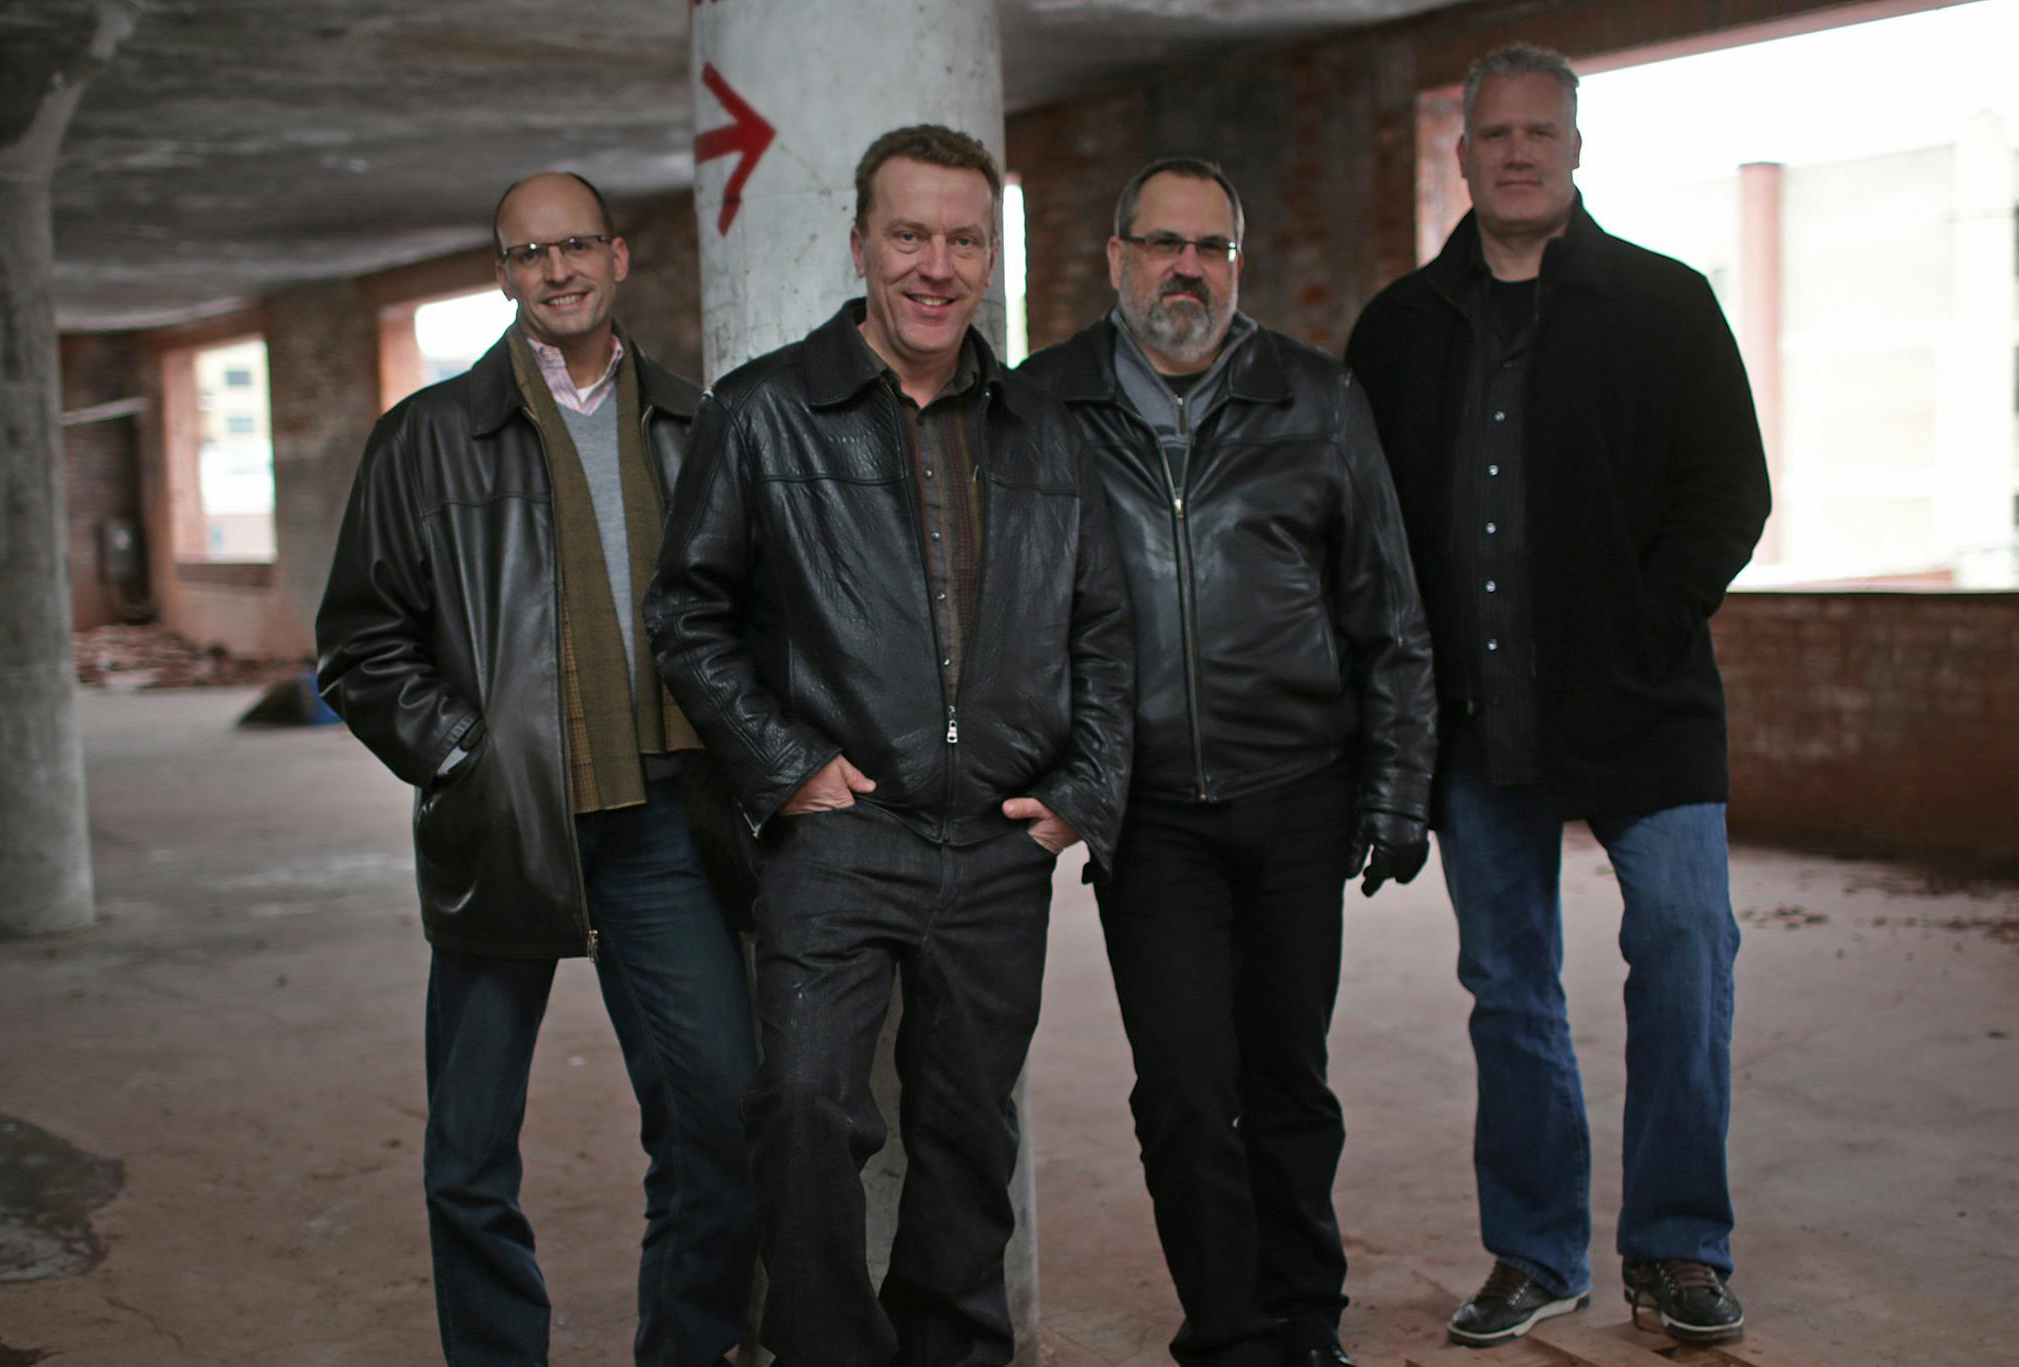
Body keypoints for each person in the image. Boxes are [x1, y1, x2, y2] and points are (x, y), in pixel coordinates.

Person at [645, 124, 1134, 1367]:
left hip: (998, 839)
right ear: (860, 243)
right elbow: (686, 615)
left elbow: (1108, 632)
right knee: (804, 1107)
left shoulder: (1043, 428)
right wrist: (780, 763)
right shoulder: (765, 413)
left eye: (963, 239)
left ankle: (956, 1347)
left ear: (990, 257)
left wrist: (1083, 788)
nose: (936, 265)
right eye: (908, 234)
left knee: (971, 1130)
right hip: (840, 834)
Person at [1345, 44, 1771, 1349]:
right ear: (1462, 153)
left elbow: (1729, 490)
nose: (1518, 152)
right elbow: (1364, 526)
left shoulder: (1663, 302)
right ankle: (1536, 1249)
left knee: (1689, 954)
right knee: (1510, 982)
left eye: (1542, 132)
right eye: (1495, 134)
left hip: (1644, 702)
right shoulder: (1402, 327)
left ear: (1576, 150)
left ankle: (1679, 1245)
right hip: (1478, 716)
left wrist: (1649, 618)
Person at [315, 171, 757, 1367]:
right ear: (503, 273)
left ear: (619, 258)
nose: (555, 270)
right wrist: (464, 754)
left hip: (666, 825)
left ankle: (688, 1346)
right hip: (504, 826)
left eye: (575, 246)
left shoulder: (692, 422)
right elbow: (357, 641)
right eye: (527, 253)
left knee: (721, 1115)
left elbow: (748, 612)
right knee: (470, 1148)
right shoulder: (426, 437)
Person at [1019, 158, 1435, 1367]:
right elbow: (1006, 617)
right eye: (1162, 244)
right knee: (1189, 1094)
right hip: (1148, 818)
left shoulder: (1317, 398)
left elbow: (1390, 610)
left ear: (1237, 262)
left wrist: (1400, 788)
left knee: (1289, 1082)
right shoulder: (1047, 407)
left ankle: (1306, 1319)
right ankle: (1230, 1328)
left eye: (1211, 246)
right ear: (1115, 258)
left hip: (1300, 793)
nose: (1186, 268)